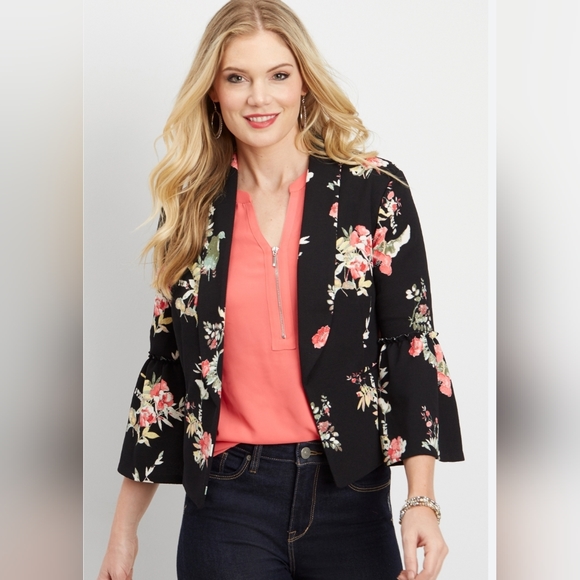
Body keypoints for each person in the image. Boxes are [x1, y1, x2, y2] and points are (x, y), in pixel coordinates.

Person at [97, 1, 464, 579]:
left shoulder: (374, 190)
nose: (259, 98)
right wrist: (123, 533)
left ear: (303, 83)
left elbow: (411, 343)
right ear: (213, 90)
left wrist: (421, 499)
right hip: (228, 501)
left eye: (278, 75)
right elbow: (168, 372)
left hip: (352, 492)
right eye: (237, 78)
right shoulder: (191, 209)